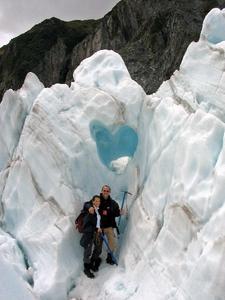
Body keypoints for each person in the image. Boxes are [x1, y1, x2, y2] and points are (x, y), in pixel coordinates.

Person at [99, 185, 123, 265]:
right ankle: (95, 258)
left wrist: (119, 213)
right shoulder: (98, 200)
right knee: (98, 243)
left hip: (110, 226)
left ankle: (109, 257)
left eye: (107, 191)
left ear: (109, 192)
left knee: (112, 243)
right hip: (100, 227)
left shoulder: (113, 203)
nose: (106, 192)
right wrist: (106, 212)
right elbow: (97, 209)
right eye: (104, 190)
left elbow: (116, 213)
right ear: (102, 191)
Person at [80, 195, 102, 278]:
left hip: (96, 233)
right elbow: (86, 205)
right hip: (89, 233)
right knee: (87, 251)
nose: (97, 202)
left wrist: (98, 228)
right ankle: (86, 269)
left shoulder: (97, 210)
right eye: (96, 201)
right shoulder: (90, 208)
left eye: (99, 201)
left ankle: (91, 263)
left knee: (98, 249)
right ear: (92, 201)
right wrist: (90, 208)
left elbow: (97, 222)